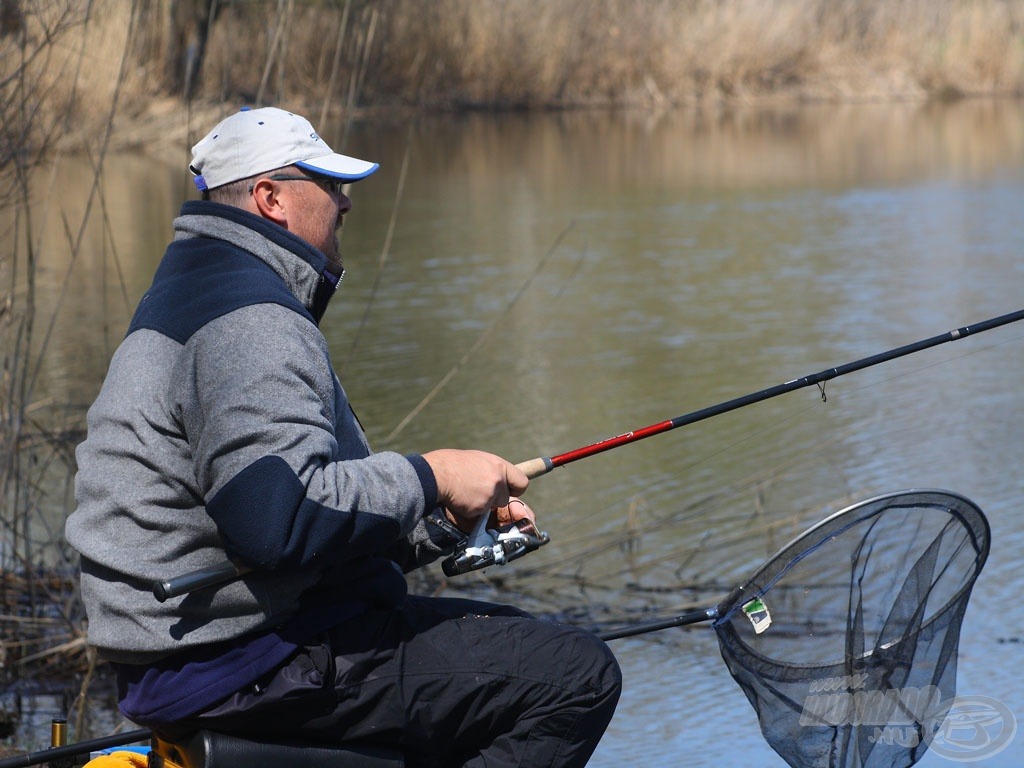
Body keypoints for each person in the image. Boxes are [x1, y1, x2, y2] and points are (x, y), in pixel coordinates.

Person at [66, 106, 621, 767]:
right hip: (245, 663)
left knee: (504, 654)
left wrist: (440, 520)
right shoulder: (251, 321)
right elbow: (276, 523)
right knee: (574, 676)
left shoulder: (193, 292)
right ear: (271, 198)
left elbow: (288, 526)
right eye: (328, 184)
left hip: (201, 654)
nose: (345, 203)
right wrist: (433, 473)